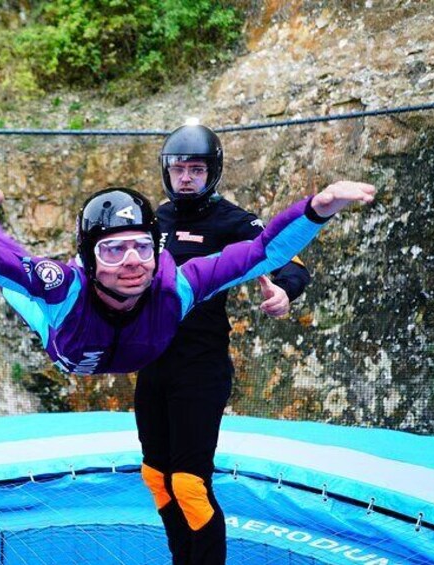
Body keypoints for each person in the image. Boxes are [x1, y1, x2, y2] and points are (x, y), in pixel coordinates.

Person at [0, 171, 374, 377]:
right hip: (63, 334)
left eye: (141, 247)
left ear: (157, 247)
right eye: (112, 250)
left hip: (133, 348)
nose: (131, 262)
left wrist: (317, 209)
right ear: (89, 261)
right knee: (16, 280)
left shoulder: (180, 285)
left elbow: (264, 252)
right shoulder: (63, 288)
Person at [136, 123, 311, 565]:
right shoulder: (156, 218)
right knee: (156, 476)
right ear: (166, 172)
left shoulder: (233, 221)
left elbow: (289, 257)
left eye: (197, 169)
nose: (187, 178)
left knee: (190, 484)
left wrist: (285, 291)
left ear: (212, 172)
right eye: (179, 169)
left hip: (200, 368)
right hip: (153, 365)